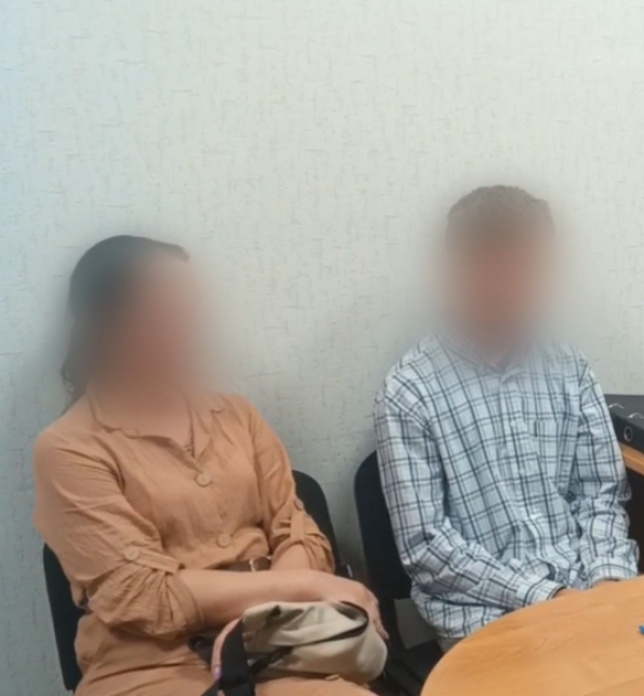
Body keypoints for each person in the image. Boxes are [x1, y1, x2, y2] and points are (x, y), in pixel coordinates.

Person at [33, 236, 383, 696]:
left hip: (277, 641)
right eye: (168, 310)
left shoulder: (238, 416)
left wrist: (260, 621)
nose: (190, 327)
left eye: (191, 308)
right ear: (108, 325)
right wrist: (306, 587)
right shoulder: (67, 449)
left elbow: (298, 533)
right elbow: (144, 594)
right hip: (151, 664)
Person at [374, 186, 638, 649]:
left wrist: (607, 582)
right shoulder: (410, 390)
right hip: (489, 617)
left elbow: (601, 494)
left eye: (532, 271)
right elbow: (428, 547)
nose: (522, 290)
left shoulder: (568, 366)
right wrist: (547, 597)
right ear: (460, 272)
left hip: (586, 593)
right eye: (505, 272)